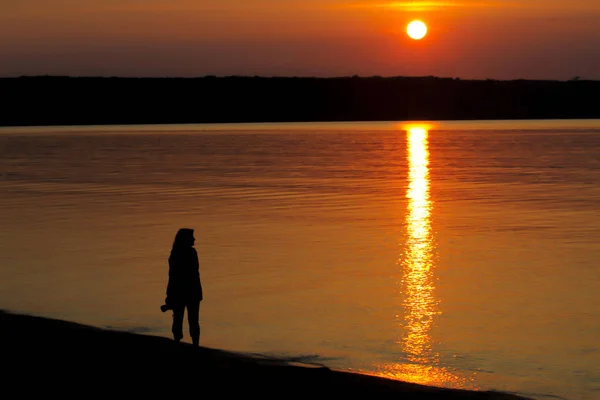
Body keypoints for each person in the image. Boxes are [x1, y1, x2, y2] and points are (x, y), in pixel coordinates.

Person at [161, 228, 203, 346]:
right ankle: (195, 344)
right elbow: (192, 274)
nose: (194, 239)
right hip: (190, 291)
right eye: (192, 237)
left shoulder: (176, 254)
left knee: (179, 319)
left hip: (183, 291)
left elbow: (172, 276)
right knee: (191, 320)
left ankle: (178, 342)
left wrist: (169, 296)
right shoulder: (190, 253)